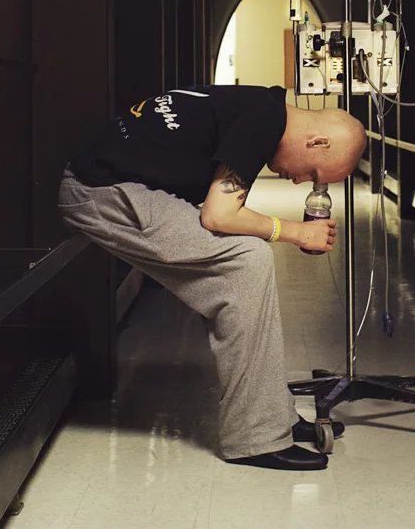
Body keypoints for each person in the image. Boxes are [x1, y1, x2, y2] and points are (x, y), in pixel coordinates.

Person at [58, 85, 367, 470]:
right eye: (313, 173)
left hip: (118, 187)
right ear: (317, 141)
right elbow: (220, 214)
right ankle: (254, 438)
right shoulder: (261, 122)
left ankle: (272, 416)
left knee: (248, 266)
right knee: (247, 261)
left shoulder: (264, 108)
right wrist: (295, 231)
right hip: (101, 192)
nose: (300, 181)